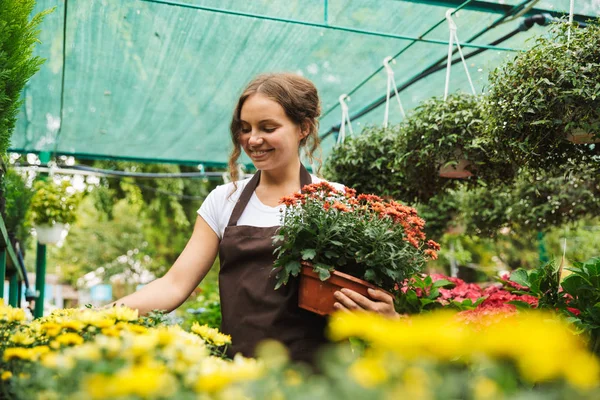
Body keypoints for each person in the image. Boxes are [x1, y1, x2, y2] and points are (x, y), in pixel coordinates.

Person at [112, 73, 397, 364]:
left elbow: (365, 290)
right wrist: (103, 316)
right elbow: (174, 284)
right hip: (240, 378)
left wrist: (390, 319)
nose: (253, 139)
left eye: (268, 127)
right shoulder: (224, 200)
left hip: (317, 382)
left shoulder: (335, 201)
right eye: (245, 128)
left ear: (304, 128)